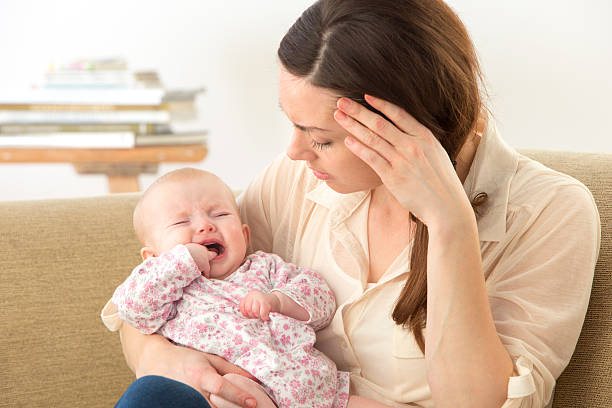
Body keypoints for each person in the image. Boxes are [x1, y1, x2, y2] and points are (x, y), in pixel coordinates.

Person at [109, 0, 600, 407]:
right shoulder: (298, 180)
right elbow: (147, 305)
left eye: (319, 138)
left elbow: (476, 403)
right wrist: (167, 362)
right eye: (295, 124)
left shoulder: (550, 212)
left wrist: (449, 224)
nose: (295, 152)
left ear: (402, 129)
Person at [103, 168, 388, 408]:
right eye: (182, 221)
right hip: (230, 392)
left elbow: (320, 297)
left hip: (312, 389)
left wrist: (278, 300)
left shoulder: (266, 268)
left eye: (220, 214)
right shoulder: (164, 288)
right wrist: (182, 262)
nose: (204, 226)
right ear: (152, 258)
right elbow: (133, 310)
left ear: (245, 235)